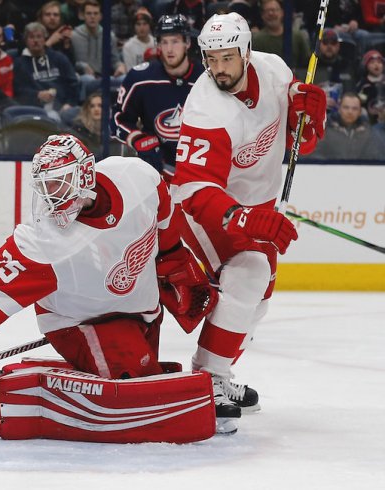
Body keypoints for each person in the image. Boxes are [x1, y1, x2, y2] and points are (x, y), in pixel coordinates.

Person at [0, 134, 220, 440]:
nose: (50, 197)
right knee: (131, 386)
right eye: (44, 186)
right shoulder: (46, 240)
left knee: (141, 378)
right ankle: (26, 391)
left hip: (141, 310)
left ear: (83, 177)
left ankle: (29, 378)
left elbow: (163, 215)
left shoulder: (136, 176)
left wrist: (174, 257)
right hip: (79, 323)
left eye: (57, 183)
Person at [171, 13, 327, 433]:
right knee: (249, 273)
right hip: (206, 211)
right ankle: (207, 381)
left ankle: (217, 375)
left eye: (227, 58)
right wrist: (245, 217)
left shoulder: (274, 70)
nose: (218, 68)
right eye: (211, 59)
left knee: (259, 297)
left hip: (256, 207)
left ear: (246, 51)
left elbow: (301, 140)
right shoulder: (206, 106)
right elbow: (195, 189)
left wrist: (309, 113)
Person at [111, 14, 204, 177]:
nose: (169, 49)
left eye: (175, 41)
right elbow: (117, 119)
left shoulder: (205, 79)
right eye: (164, 42)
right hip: (157, 172)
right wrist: (137, 138)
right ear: (158, 44)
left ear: (187, 43)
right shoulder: (139, 78)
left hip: (201, 169)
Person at [12, 22, 79, 120]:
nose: (35, 41)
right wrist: (37, 95)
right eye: (31, 37)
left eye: (39, 37)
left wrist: (69, 103)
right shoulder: (19, 63)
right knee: (53, 117)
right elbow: (18, 90)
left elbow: (73, 83)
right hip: (36, 109)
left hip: (64, 106)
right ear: (26, 41)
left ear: (45, 39)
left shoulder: (59, 58)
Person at [70, 0, 126, 98]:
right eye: (89, 13)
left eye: (96, 13)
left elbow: (115, 60)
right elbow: (70, 63)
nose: (92, 17)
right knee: (88, 80)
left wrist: (120, 66)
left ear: (100, 16)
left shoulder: (109, 36)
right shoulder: (74, 36)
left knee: (124, 78)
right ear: (82, 15)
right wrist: (82, 66)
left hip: (105, 76)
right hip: (83, 77)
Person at [312, 92, 380, 160]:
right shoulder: (324, 129)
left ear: (360, 112)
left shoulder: (368, 132)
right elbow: (314, 154)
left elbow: (374, 156)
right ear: (339, 109)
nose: (350, 112)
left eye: (355, 108)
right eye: (346, 107)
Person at [251, 0, 311, 69]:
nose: (270, 13)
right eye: (267, 11)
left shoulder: (297, 36)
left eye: (273, 10)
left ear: (282, 12)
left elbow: (307, 62)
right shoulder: (257, 40)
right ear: (262, 15)